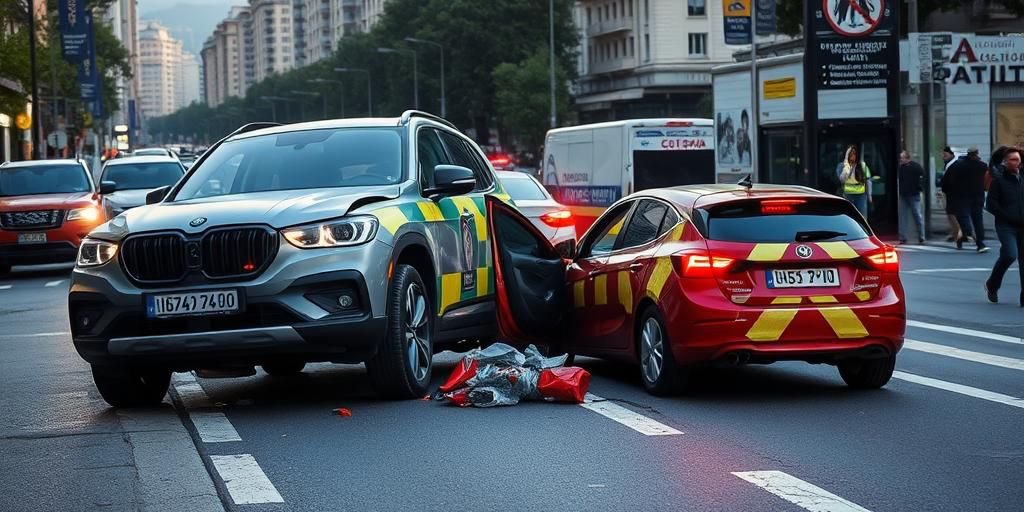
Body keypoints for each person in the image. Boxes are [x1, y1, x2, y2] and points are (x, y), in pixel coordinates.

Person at [984, 147, 1024, 307]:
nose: (1016, 162)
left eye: (1018, 159)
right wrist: (1007, 216)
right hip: (1006, 225)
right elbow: (991, 205)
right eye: (1013, 160)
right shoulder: (999, 181)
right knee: (1009, 254)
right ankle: (992, 285)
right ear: (1005, 162)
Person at [945, 147, 990, 252]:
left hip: (961, 196)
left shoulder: (957, 166)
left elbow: (947, 181)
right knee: (978, 220)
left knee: (963, 216)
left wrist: (948, 191)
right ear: (976, 154)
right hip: (978, 196)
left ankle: (967, 233)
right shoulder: (982, 166)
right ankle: (980, 243)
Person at [898, 150, 926, 244]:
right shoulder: (901, 167)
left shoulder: (916, 167)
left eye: (902, 157)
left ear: (907, 158)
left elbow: (923, 178)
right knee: (903, 216)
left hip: (914, 195)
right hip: (904, 195)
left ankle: (921, 236)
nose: (900, 159)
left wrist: (919, 188)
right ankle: (903, 237)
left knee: (917, 215)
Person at [838, 145, 871, 218]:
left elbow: (868, 180)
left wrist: (869, 195)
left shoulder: (862, 165)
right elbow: (841, 180)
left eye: (854, 153)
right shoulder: (842, 166)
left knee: (862, 217)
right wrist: (847, 167)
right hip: (848, 195)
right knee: (849, 217)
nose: (852, 155)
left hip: (861, 196)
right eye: (850, 153)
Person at [940, 146, 962, 242]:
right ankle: (955, 233)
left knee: (953, 214)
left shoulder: (954, 165)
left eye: (945, 155)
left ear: (952, 155)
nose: (943, 157)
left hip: (954, 194)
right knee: (951, 214)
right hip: (950, 193)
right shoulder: (949, 164)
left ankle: (958, 234)